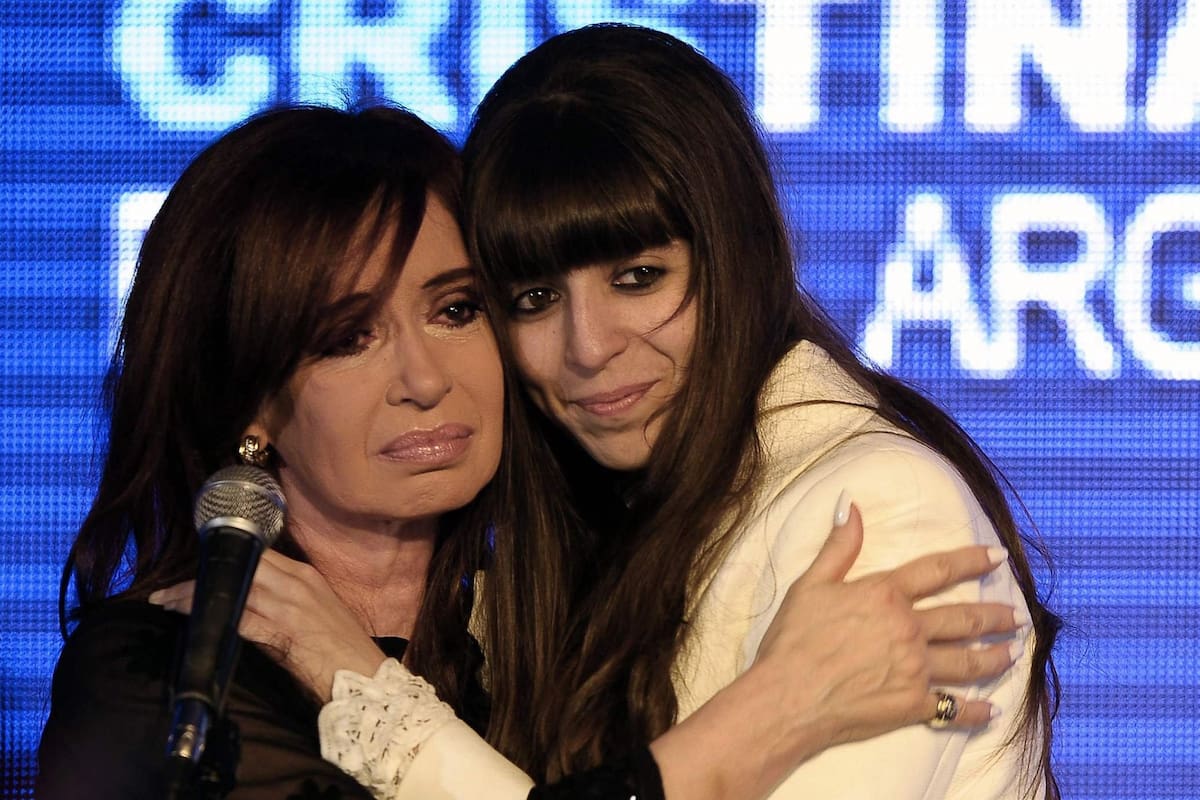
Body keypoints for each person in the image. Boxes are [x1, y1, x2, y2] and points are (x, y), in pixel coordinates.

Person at [38, 104, 1021, 800]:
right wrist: (769, 715)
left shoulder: (554, 624)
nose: (424, 377)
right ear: (251, 398)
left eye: (458, 308)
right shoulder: (172, 679)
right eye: (347, 336)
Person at [261, 24, 1060, 800]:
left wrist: (368, 693)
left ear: (736, 254)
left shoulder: (877, 512)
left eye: (639, 277)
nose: (588, 346)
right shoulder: (580, 534)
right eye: (535, 299)